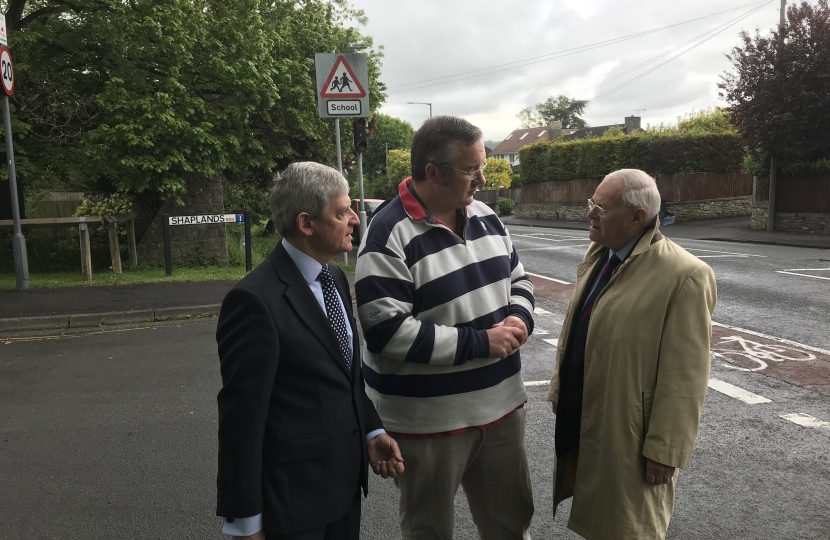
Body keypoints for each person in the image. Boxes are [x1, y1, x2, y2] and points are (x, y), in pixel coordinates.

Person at [355, 116, 536, 539]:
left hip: (502, 409)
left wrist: (520, 318)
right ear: (432, 173)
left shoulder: (488, 216)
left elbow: (519, 280)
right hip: (427, 425)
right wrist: (480, 342)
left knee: (510, 524)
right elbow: (386, 331)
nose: (482, 178)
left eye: (482, 164)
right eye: (472, 169)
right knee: (429, 531)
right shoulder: (387, 235)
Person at [215, 162, 404, 540]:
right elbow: (241, 418)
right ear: (306, 223)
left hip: (343, 490)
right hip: (292, 504)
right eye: (342, 211)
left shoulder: (333, 277)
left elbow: (344, 375)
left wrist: (371, 431)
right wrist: (244, 521)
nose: (355, 218)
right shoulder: (253, 301)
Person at [547, 169, 717, 539]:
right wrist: (561, 385)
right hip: (590, 412)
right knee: (596, 514)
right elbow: (576, 326)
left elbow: (685, 375)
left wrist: (665, 449)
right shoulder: (601, 254)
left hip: (633, 433)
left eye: (599, 209)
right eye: (591, 204)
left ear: (637, 218)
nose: (589, 214)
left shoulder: (686, 275)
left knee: (628, 525)